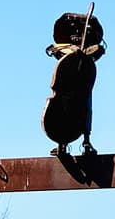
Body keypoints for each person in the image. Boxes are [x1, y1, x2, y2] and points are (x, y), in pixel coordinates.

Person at [42, 10, 104, 156]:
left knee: (86, 110)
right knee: (62, 113)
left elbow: (96, 53)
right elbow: (56, 52)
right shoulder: (62, 48)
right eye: (73, 31)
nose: (77, 34)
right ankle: (61, 143)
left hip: (83, 87)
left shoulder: (90, 49)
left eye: (80, 31)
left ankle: (86, 141)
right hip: (65, 87)